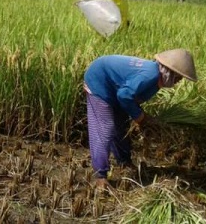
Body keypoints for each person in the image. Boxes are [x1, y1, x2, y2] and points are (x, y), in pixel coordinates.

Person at [83, 49, 197, 189]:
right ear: (170, 72)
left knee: (121, 125)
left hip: (114, 87)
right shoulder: (151, 75)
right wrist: (140, 118)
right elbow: (124, 95)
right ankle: (100, 176)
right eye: (178, 78)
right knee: (106, 127)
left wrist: (140, 114)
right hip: (99, 81)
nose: (178, 82)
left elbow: (131, 96)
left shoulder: (156, 79)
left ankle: (123, 161)